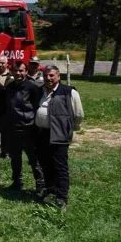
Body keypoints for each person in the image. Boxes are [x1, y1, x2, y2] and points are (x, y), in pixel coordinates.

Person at [35, 65, 84, 210]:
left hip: (59, 134)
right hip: (42, 133)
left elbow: (78, 114)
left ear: (58, 76)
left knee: (60, 166)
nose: (48, 78)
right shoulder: (40, 91)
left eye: (51, 75)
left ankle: (62, 197)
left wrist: (69, 128)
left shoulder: (69, 92)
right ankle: (50, 190)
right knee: (46, 164)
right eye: (46, 75)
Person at [6, 61, 44, 193]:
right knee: (15, 158)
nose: (18, 73)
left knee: (34, 158)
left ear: (26, 71)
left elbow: (37, 106)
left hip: (28, 128)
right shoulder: (9, 87)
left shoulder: (32, 87)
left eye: (21, 70)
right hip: (13, 128)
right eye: (15, 70)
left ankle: (40, 185)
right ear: (11, 71)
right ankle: (17, 182)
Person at [0, 55, 14, 158]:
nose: (0, 65)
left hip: (7, 108)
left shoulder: (12, 76)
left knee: (6, 132)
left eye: (2, 63)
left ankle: (6, 151)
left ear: (7, 64)